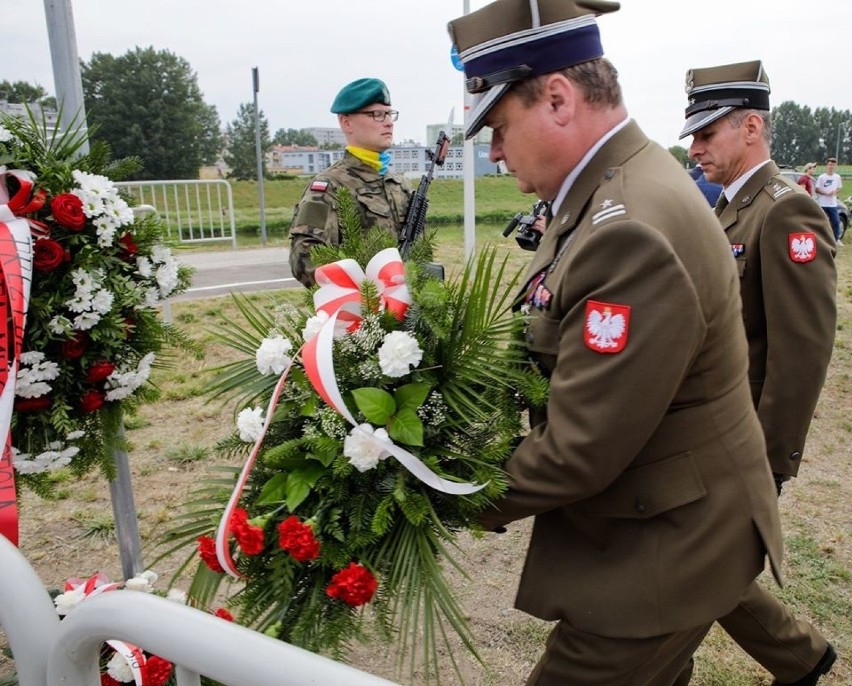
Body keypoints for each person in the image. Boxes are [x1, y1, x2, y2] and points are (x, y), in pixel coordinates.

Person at [447, 2, 785, 684]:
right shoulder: (603, 194)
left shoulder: (627, 225)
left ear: (560, 99)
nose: (496, 151)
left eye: (500, 127)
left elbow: (579, 450)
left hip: (664, 546)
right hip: (657, 516)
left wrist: (434, 489)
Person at [679, 59, 837, 685]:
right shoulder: (729, 211)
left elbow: (804, 351)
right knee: (700, 564)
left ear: (750, 127)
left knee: (687, 567)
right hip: (710, 432)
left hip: (743, 441)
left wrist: (769, 459)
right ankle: (801, 658)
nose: (694, 149)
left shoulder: (785, 211)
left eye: (705, 134)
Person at [287, 77, 412, 286]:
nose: (389, 122)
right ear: (346, 123)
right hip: (357, 311)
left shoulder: (399, 185)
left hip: (407, 312)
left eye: (389, 114)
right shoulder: (329, 187)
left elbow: (421, 252)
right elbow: (303, 258)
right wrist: (361, 290)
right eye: (377, 115)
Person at [815, 157, 844, 245]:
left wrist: (835, 192)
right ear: (827, 166)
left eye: (833, 165)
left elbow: (839, 188)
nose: (831, 167)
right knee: (821, 221)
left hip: (832, 204)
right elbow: (817, 189)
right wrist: (825, 193)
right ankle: (819, 239)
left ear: (835, 166)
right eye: (830, 165)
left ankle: (836, 239)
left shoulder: (837, 177)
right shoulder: (822, 177)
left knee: (836, 221)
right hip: (822, 203)